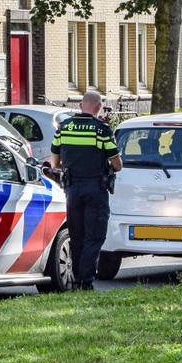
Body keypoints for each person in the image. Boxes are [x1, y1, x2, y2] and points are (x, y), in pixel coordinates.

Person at [47, 90, 122, 291]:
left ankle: (77, 278)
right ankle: (85, 280)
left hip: (72, 189)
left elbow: (54, 162)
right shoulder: (101, 130)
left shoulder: (64, 127)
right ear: (99, 108)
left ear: (80, 106)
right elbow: (117, 165)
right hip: (95, 188)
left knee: (76, 233)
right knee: (94, 235)